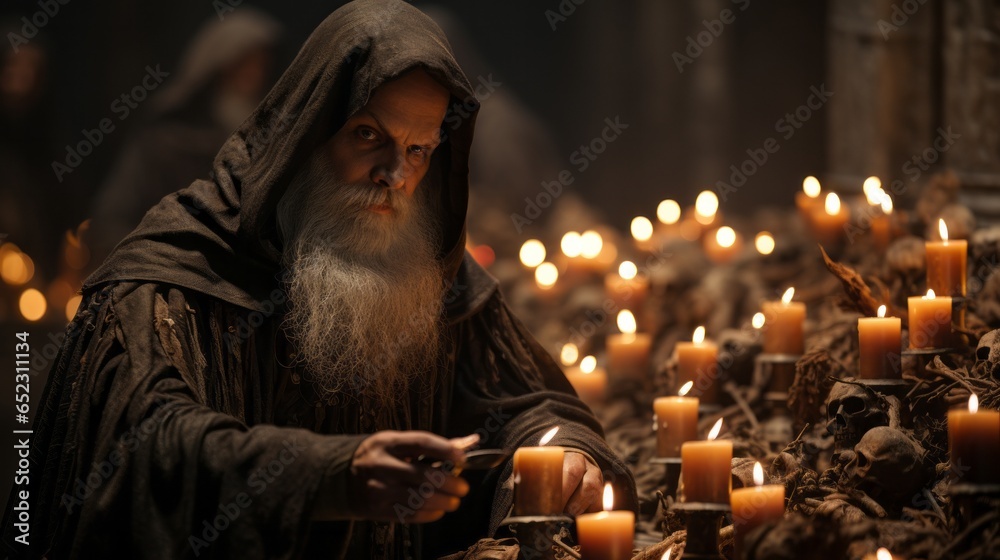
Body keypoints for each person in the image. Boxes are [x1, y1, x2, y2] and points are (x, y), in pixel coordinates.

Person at [1, 1, 636, 558]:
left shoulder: (427, 267)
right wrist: (328, 476)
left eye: (419, 150)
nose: (396, 174)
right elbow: (140, 448)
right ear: (306, 134)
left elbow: (526, 405)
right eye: (369, 136)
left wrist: (566, 455)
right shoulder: (177, 270)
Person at [86, 9, 282, 268]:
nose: (252, 74)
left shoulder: (271, 142)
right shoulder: (166, 142)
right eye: (243, 63)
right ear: (219, 66)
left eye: (259, 64)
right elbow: (111, 219)